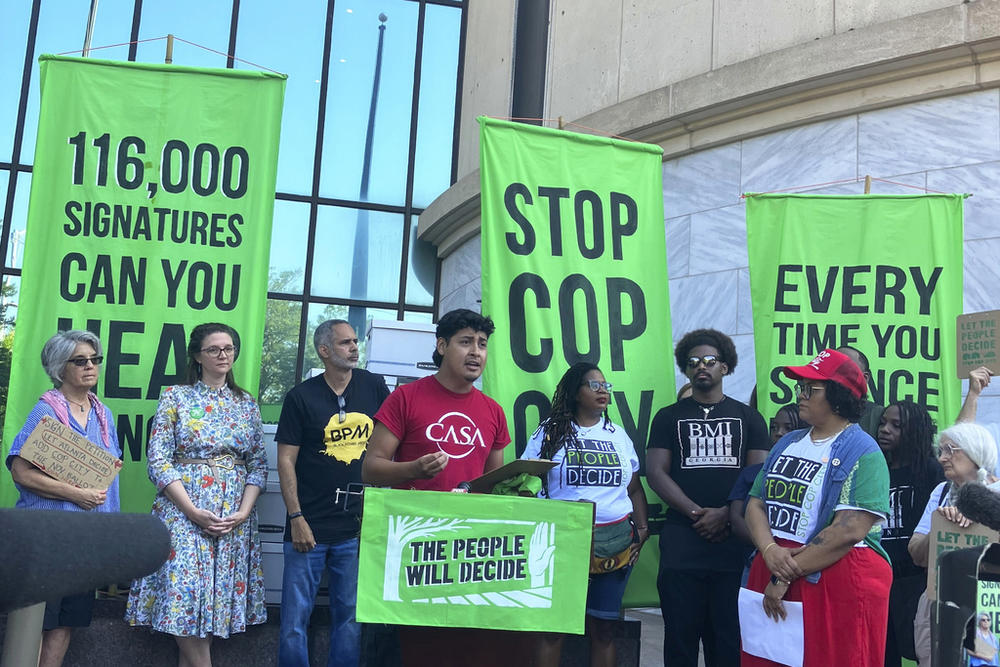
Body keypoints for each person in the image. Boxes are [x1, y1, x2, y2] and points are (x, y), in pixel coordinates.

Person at [362, 308, 512, 667]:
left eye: (482, 344)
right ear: (442, 346)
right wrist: (412, 469)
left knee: (453, 649)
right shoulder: (406, 397)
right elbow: (370, 468)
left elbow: (494, 483)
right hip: (407, 547)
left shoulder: (493, 411)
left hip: (466, 552)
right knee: (399, 648)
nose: (476, 352)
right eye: (465, 342)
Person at [125, 323, 268, 667]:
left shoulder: (246, 403)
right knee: (183, 597)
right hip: (183, 511)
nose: (224, 355)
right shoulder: (176, 396)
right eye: (215, 349)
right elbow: (158, 459)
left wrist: (244, 512)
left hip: (231, 516)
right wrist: (191, 510)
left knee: (208, 609)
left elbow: (259, 464)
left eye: (229, 348)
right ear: (197, 356)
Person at [743, 348, 891, 667]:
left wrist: (781, 577)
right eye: (801, 386)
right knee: (768, 659)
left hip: (829, 580)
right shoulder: (788, 442)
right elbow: (756, 503)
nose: (801, 395)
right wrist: (769, 550)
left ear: (838, 395)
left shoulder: (865, 452)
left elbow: (848, 530)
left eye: (811, 388)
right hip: (778, 567)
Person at [647, 328, 770, 667]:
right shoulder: (668, 417)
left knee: (728, 643)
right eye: (693, 362)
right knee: (680, 640)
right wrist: (696, 513)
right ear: (686, 370)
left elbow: (755, 479)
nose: (701, 366)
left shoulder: (750, 419)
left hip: (733, 545)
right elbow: (656, 473)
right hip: (682, 543)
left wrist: (726, 514)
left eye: (710, 361)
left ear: (725, 367)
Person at [275, 319, 390, 667]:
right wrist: (296, 518)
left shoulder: (373, 387)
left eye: (356, 341)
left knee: (351, 617)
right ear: (324, 351)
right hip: (307, 525)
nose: (355, 347)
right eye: (345, 343)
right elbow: (285, 461)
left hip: (357, 526)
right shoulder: (300, 397)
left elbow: (390, 444)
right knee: (294, 620)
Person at [521, 362, 649, 667]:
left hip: (614, 543)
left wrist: (642, 530)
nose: (603, 391)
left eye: (606, 386)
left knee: (604, 629)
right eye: (594, 385)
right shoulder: (549, 432)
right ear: (575, 392)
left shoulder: (618, 436)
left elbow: (634, 489)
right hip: (562, 542)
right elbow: (527, 480)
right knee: (555, 629)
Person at [6, 330, 121, 667]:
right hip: (46, 538)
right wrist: (77, 494)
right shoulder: (46, 410)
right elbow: (21, 472)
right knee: (38, 621)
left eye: (95, 359)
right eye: (80, 361)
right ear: (60, 367)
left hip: (84, 540)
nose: (91, 366)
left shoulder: (103, 413)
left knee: (69, 618)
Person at [907, 422, 999, 667]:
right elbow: (916, 554)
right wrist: (941, 527)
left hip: (987, 604)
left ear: (974, 451)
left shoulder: (998, 492)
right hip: (937, 601)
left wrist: (982, 514)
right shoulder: (940, 493)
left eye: (950, 449)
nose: (942, 458)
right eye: (940, 451)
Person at [877, 400, 944, 667]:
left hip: (917, 580)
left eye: (896, 425)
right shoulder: (876, 470)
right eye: (883, 422)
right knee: (884, 653)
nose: (885, 429)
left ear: (914, 431)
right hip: (881, 578)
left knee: (923, 652)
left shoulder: (930, 470)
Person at [837, 345, 884, 437]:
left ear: (864, 378)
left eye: (844, 368)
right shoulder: (813, 410)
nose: (835, 375)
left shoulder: (876, 416)